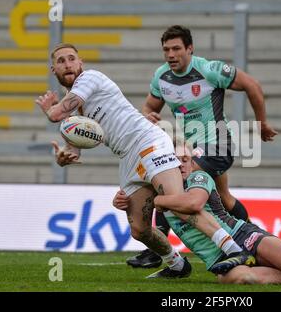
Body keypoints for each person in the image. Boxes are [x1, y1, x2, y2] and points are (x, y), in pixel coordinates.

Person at [35, 43, 256, 278]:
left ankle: (234, 249)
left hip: (147, 142)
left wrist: (51, 111)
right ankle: (177, 264)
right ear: (53, 69)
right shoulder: (76, 105)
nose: (67, 64)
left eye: (71, 59)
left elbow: (56, 114)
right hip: (128, 158)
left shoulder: (89, 79)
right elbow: (76, 147)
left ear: (81, 63)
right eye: (61, 61)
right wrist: (64, 157)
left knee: (178, 204)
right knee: (139, 230)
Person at [114, 140, 281, 285]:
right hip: (218, 256)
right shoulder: (158, 190)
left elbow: (193, 204)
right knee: (236, 280)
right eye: (175, 160)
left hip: (241, 235)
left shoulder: (199, 178)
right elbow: (141, 224)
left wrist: (158, 199)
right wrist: (126, 202)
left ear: (192, 162)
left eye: (185, 159)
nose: (181, 164)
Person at [127, 25, 278, 268]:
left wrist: (262, 124)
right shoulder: (161, 77)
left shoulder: (209, 69)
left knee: (171, 178)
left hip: (219, 143)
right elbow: (148, 108)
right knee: (225, 201)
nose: (170, 54)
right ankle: (254, 240)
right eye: (166, 50)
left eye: (176, 48)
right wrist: (148, 116)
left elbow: (253, 85)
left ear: (190, 48)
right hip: (194, 148)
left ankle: (157, 251)